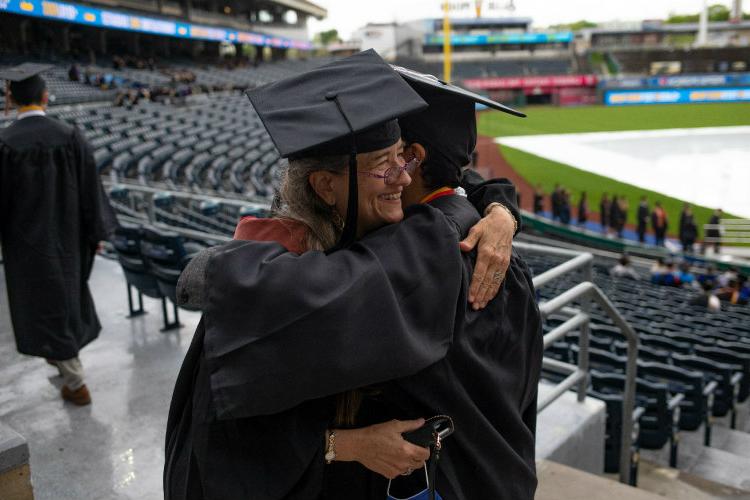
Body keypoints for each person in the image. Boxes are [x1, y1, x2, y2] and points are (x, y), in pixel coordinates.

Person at [164, 51, 523, 500]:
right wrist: (342, 446)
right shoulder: (296, 275)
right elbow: (218, 444)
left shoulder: (416, 242)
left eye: (403, 160)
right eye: (383, 165)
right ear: (325, 186)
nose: (399, 178)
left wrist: (499, 206)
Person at [320, 65, 542, 500]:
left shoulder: (410, 259)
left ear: (412, 158)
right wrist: (500, 206)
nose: (387, 172)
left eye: (386, 156)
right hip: (505, 472)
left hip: (438, 483)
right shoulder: (491, 244)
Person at [0, 63, 117, 406]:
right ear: (45, 97)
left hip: (26, 246)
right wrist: (96, 233)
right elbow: (90, 192)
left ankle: (75, 380)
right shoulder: (70, 136)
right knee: (64, 301)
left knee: (43, 306)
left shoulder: (4, 144)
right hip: (70, 239)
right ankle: (66, 365)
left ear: (11, 98)